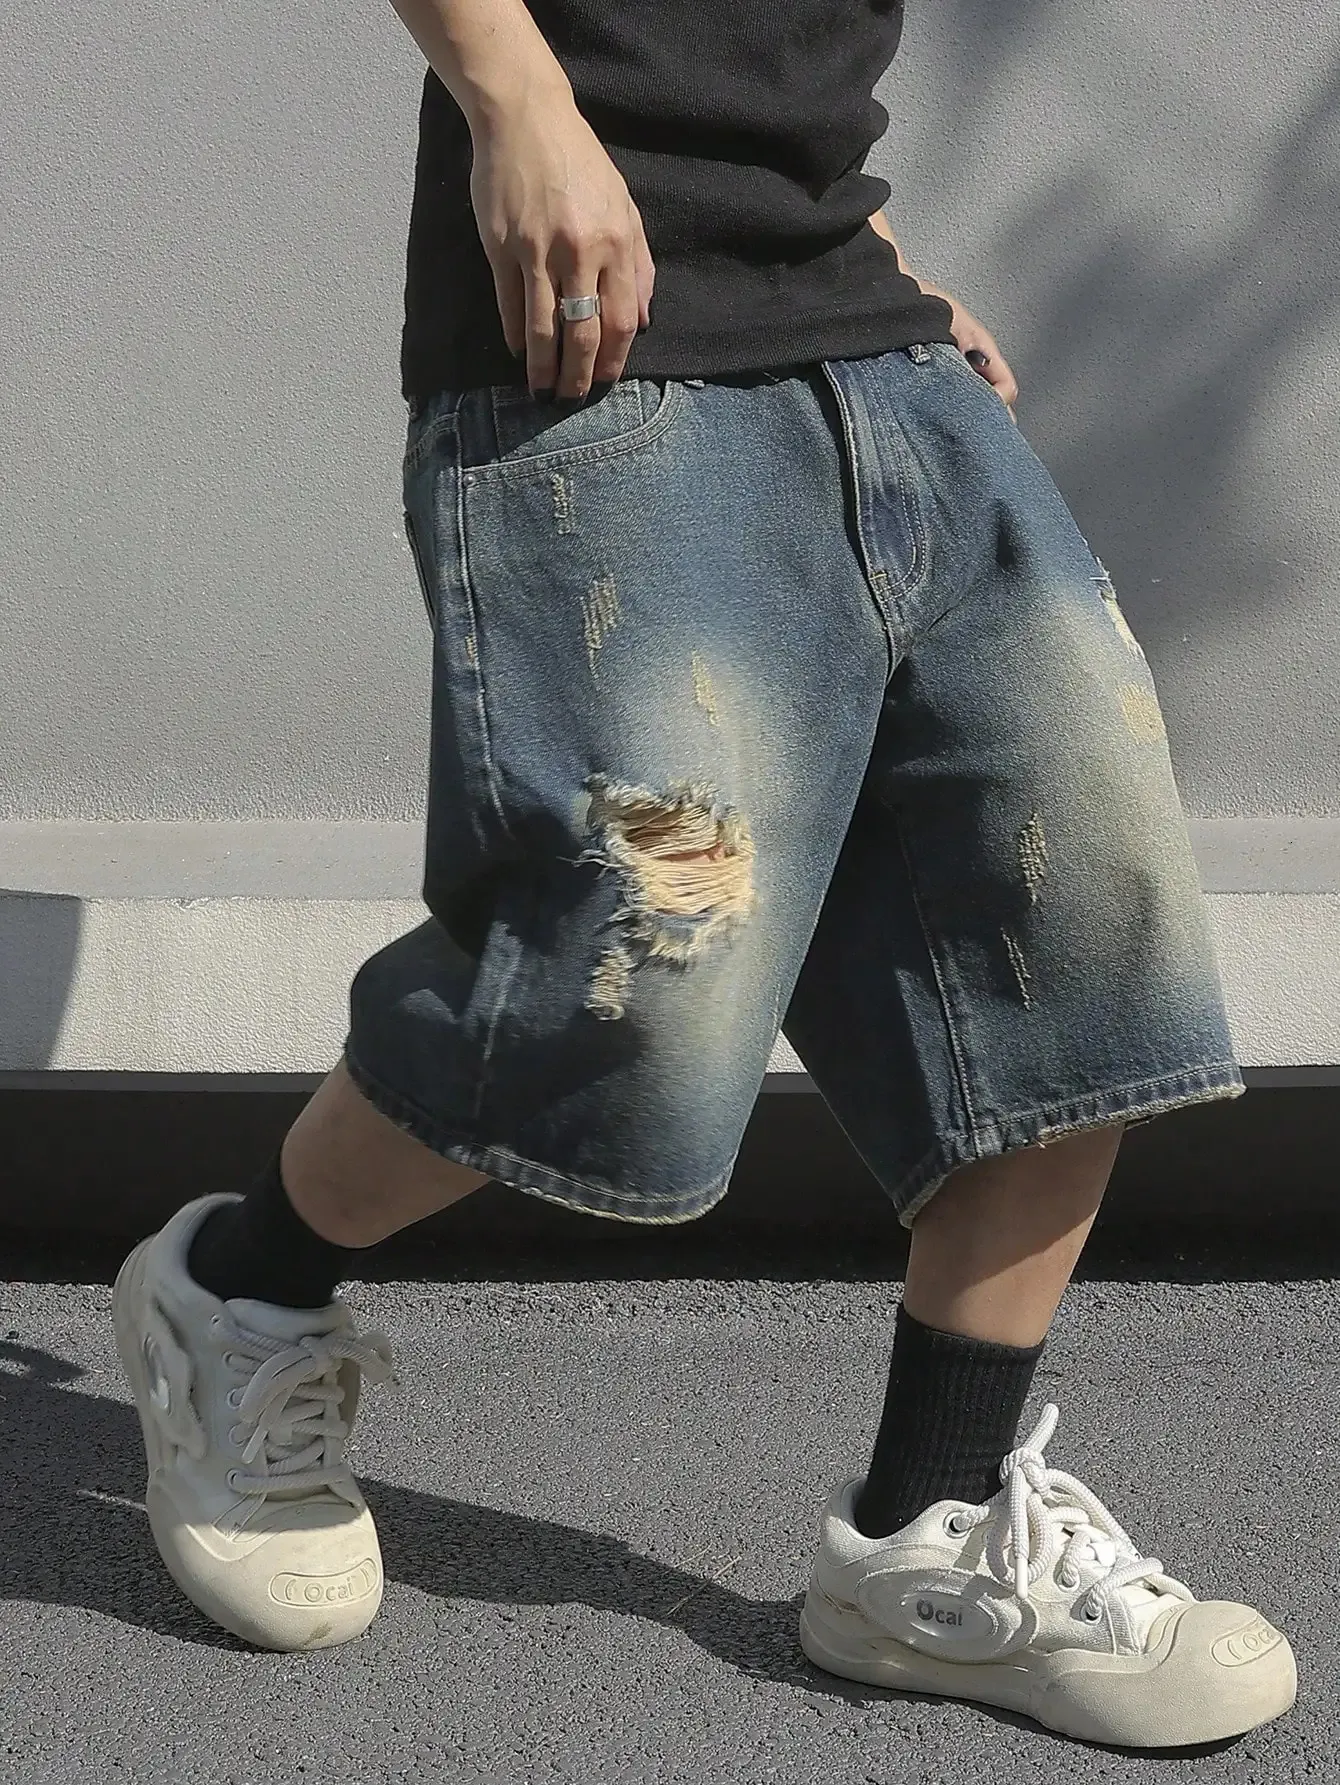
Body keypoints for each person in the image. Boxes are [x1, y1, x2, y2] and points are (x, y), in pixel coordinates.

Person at [112, 0, 1296, 1746]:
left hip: (873, 350)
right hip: (600, 349)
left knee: (1081, 928)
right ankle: (240, 1291)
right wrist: (514, 100)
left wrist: (878, 258)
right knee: (632, 964)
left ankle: (929, 1539)